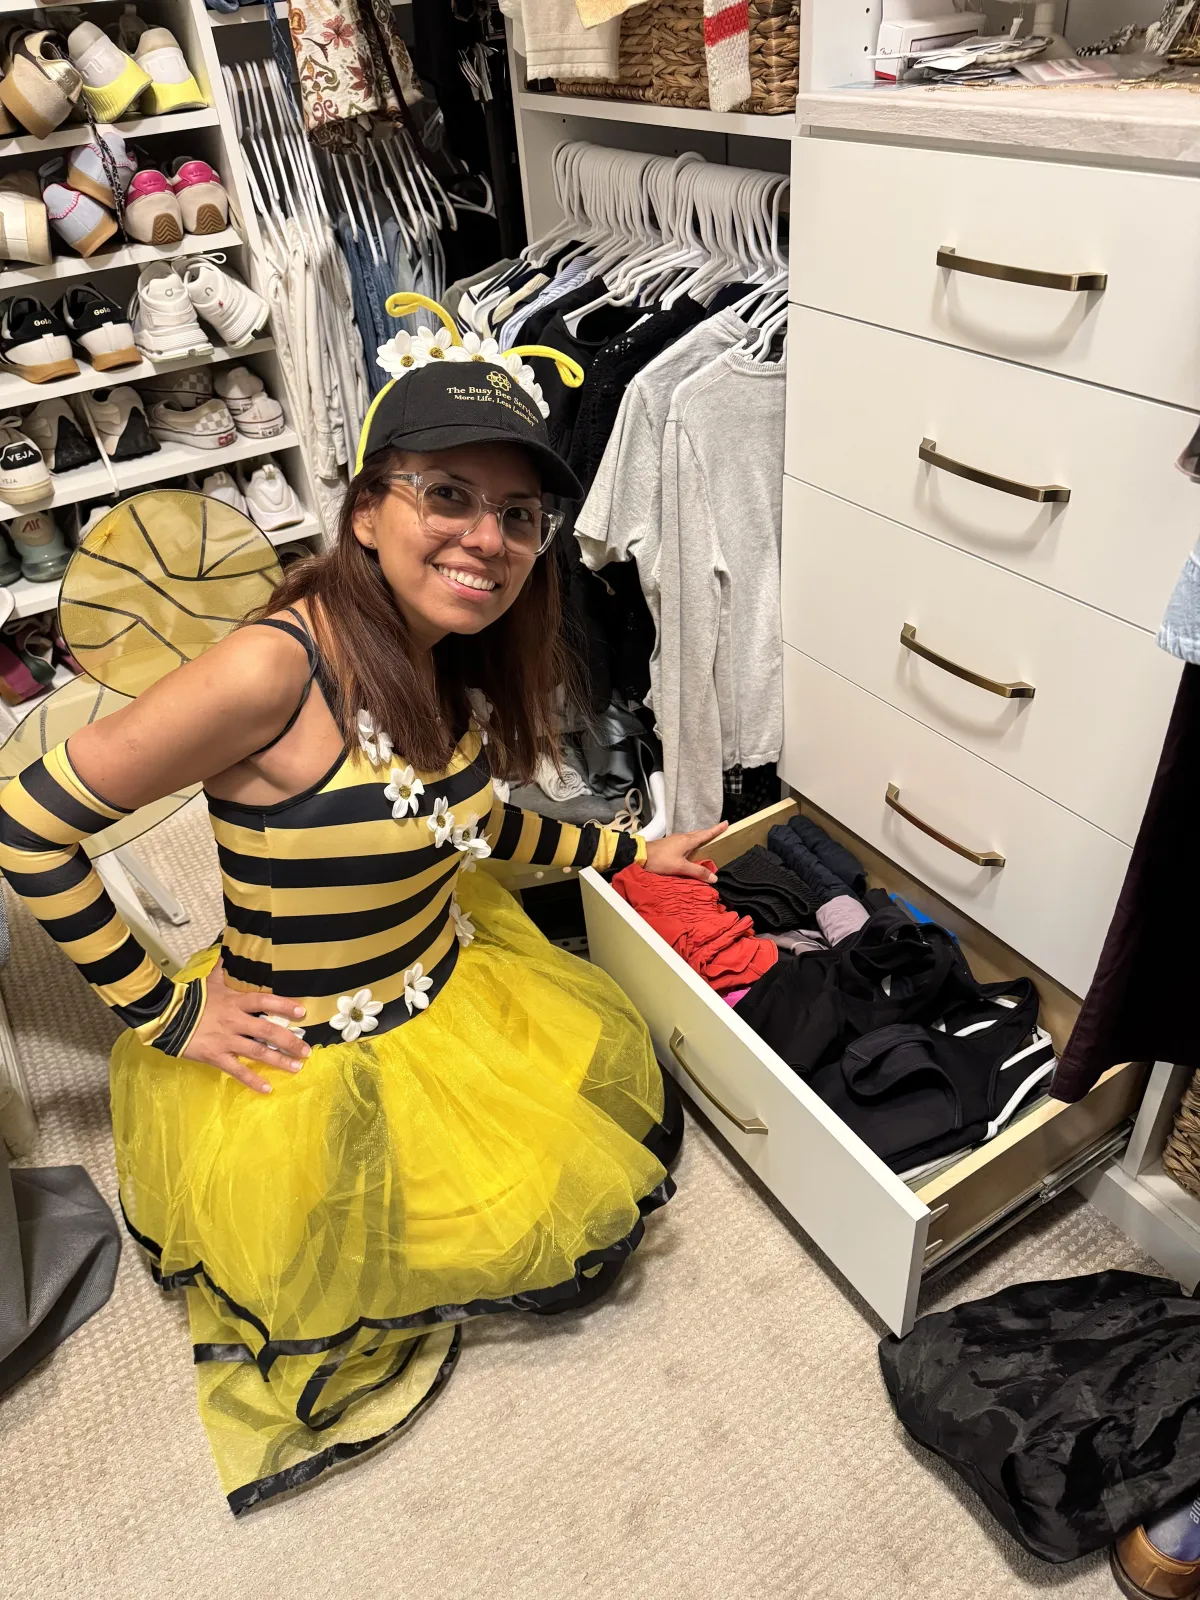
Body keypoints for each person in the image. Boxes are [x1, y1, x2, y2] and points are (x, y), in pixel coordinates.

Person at [0, 302, 725, 1515]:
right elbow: (28, 823)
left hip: (447, 979)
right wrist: (166, 1011)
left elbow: (472, 825)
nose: (486, 540)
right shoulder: (273, 668)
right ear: (367, 508)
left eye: (518, 516)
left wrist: (625, 846)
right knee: (354, 1262)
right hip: (318, 1046)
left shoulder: (442, 648)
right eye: (448, 495)